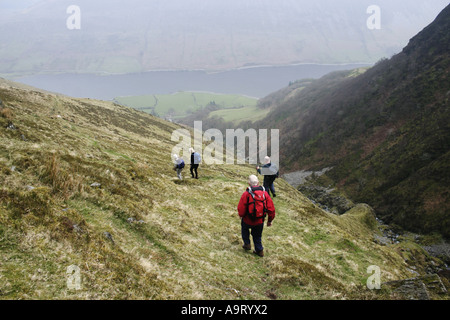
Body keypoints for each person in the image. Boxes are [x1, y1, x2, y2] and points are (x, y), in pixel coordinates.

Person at [237, 175, 276, 257]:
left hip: (247, 220)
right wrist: (269, 220)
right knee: (257, 236)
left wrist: (241, 215)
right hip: (259, 221)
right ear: (258, 183)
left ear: (249, 183)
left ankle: (247, 244)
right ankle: (259, 250)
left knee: (244, 230)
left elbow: (241, 207)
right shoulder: (265, 194)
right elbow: (271, 209)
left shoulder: (246, 194)